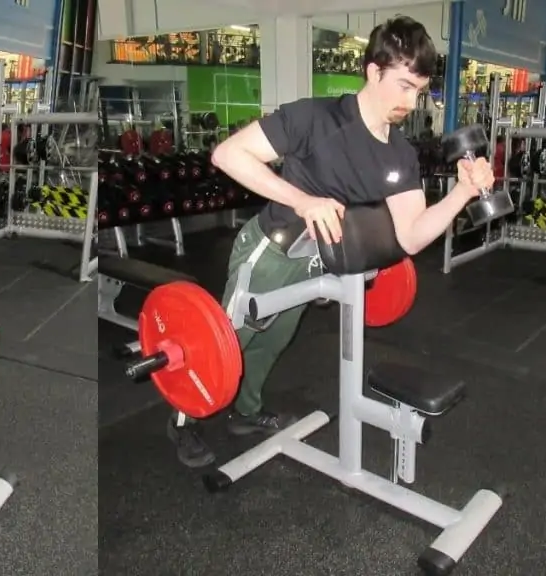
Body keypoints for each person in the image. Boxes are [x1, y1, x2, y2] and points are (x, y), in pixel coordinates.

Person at [167, 16, 495, 468]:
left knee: (273, 341)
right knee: (226, 341)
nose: (410, 101)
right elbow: (228, 155)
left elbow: (413, 235)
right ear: (373, 71)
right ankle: (184, 417)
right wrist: (302, 200)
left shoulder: (399, 154)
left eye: (418, 90)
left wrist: (462, 193)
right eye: (402, 85)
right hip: (272, 249)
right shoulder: (315, 118)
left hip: (315, 263)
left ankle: (244, 412)